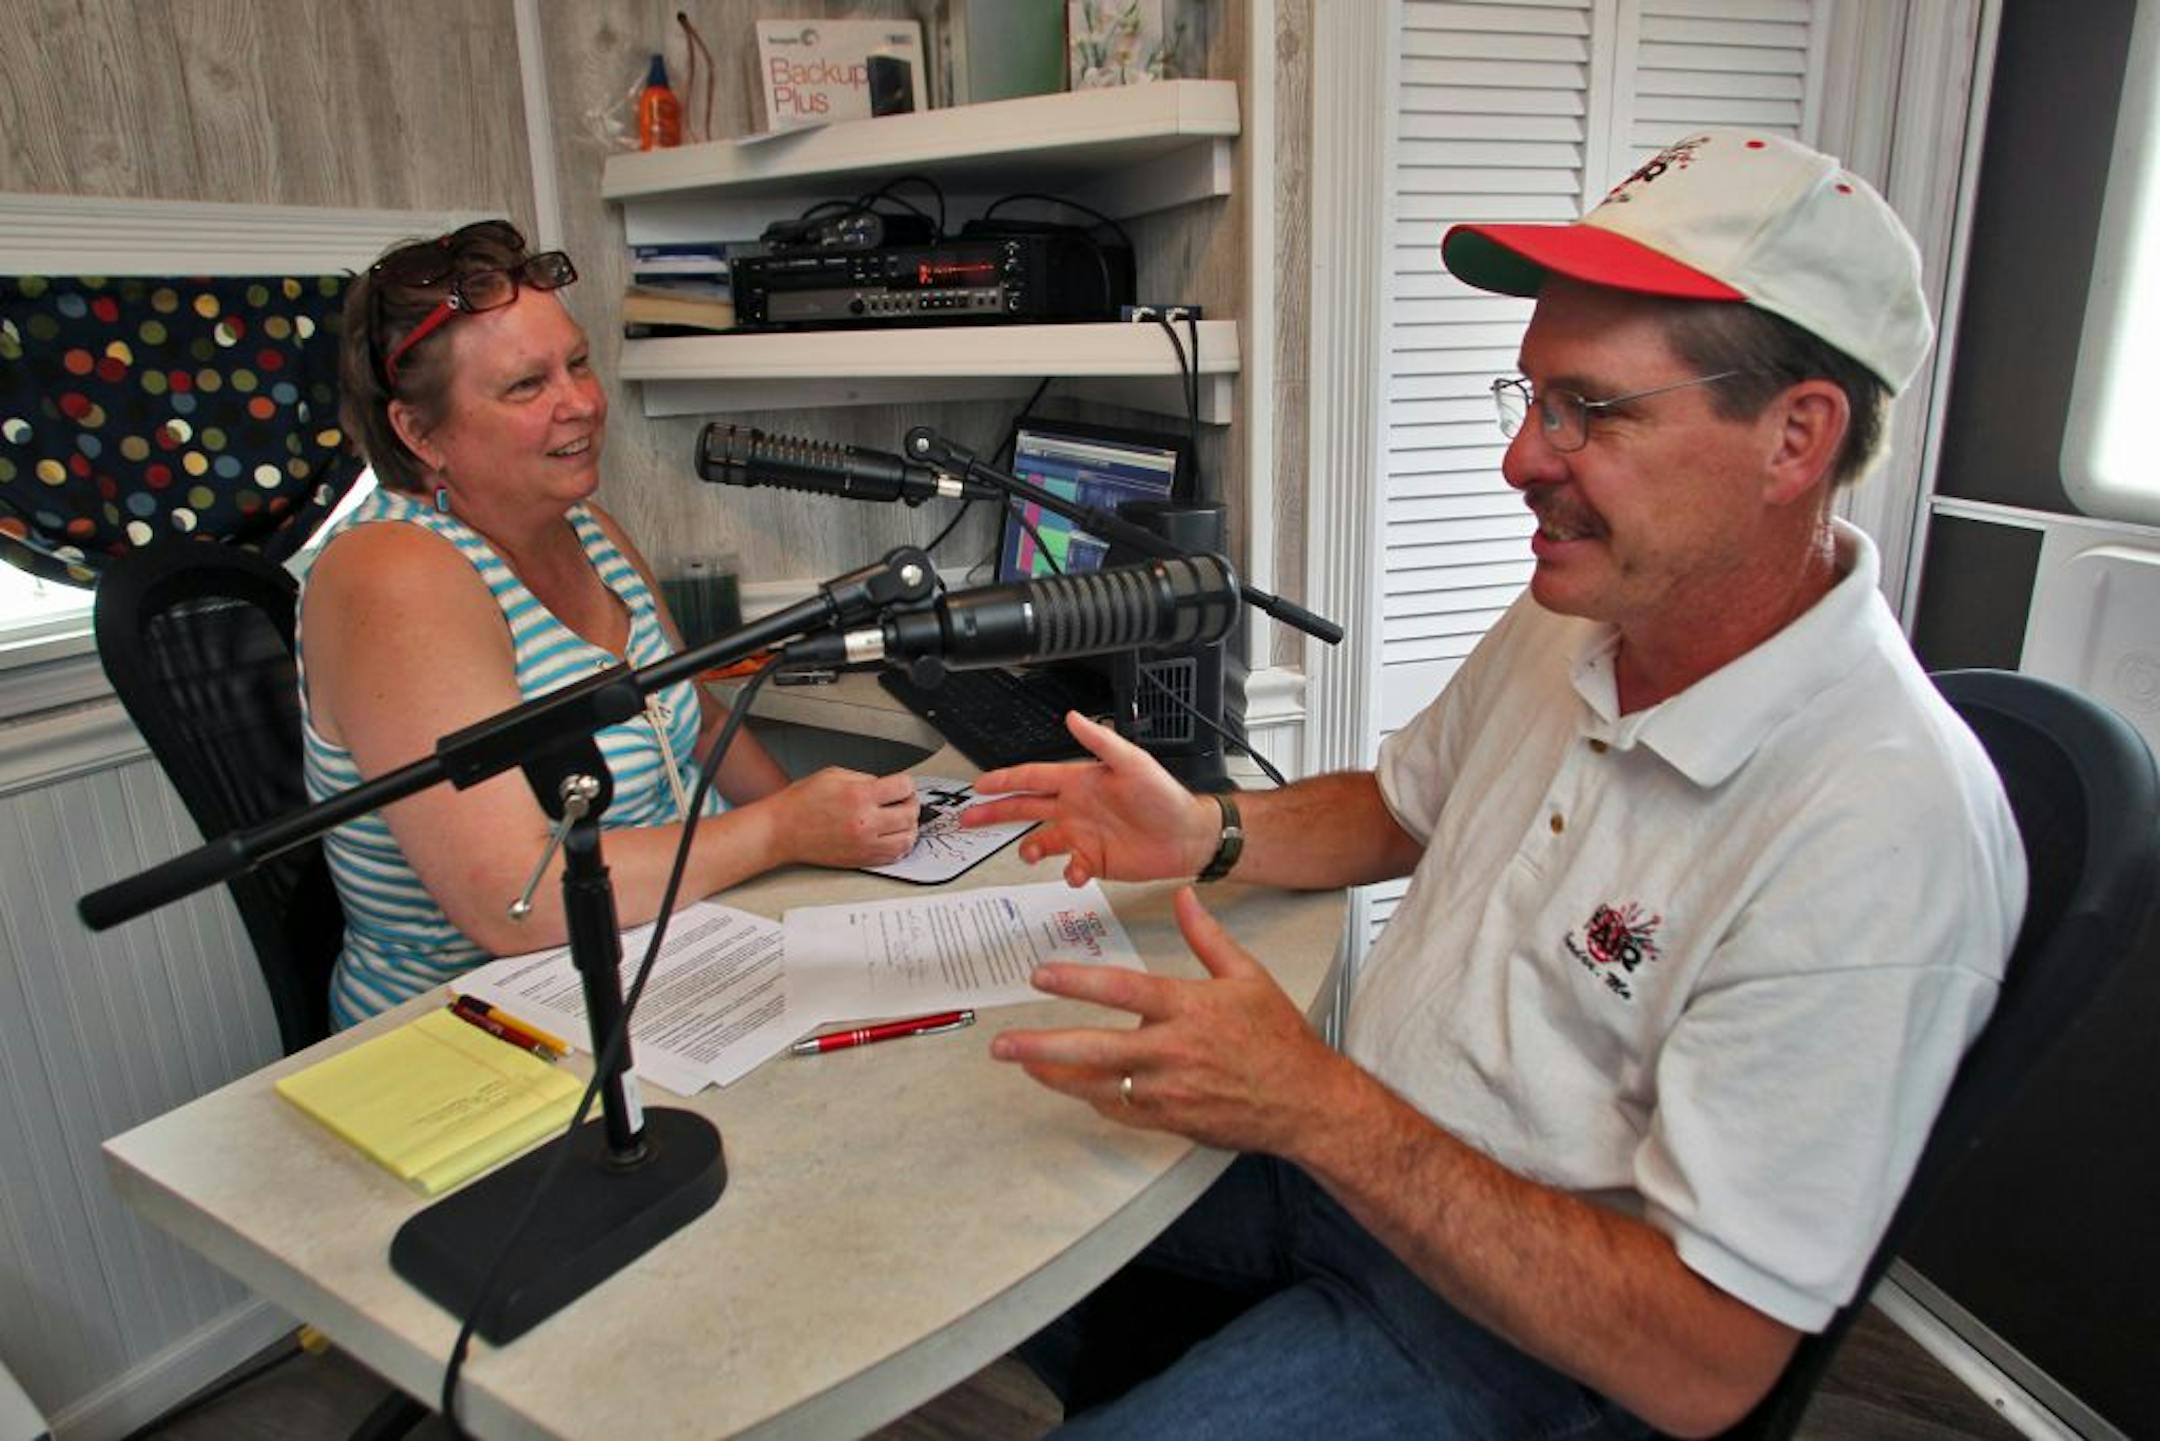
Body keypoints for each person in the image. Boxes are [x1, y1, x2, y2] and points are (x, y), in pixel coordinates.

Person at [961, 131, 2028, 1438]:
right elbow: (1404, 805)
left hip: (1523, 1338)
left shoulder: (1882, 830)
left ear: (1794, 436)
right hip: (1355, 1175)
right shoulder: (1589, 611)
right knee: (963, 1203)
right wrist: (1205, 828)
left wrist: (1315, 1102)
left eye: (1592, 409)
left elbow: (1704, 1365)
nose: (1524, 458)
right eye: (1527, 399)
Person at [303, 220, 918, 1026]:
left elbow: (694, 722)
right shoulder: (391, 574)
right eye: (527, 386)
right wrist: (781, 832)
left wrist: (834, 844)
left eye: (579, 363)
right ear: (420, 434)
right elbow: (512, 903)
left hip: (663, 951)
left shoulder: (584, 524)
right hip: (479, 1023)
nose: (583, 404)